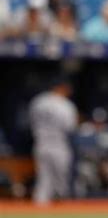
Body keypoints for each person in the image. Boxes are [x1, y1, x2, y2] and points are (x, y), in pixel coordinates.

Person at [29, 76, 78, 205]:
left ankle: (40, 204)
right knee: (61, 179)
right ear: (61, 87)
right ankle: (62, 205)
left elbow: (32, 122)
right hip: (58, 143)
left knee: (44, 177)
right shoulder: (65, 104)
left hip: (40, 143)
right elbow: (70, 127)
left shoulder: (38, 101)